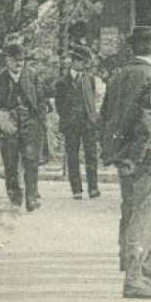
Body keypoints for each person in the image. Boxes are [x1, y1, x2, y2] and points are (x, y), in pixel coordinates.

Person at [99, 26, 151, 299]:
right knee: (145, 219)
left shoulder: (118, 76)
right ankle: (134, 279)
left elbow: (105, 117)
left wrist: (119, 154)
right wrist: (135, 156)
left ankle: (141, 273)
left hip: (127, 159)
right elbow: (148, 121)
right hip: (149, 159)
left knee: (132, 212)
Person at [0, 41, 48, 211]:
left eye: (22, 60)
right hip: (8, 124)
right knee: (10, 162)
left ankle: (32, 198)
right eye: (14, 60)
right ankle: (15, 199)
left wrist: (40, 120)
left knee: (31, 161)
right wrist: (0, 118)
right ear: (7, 60)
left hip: (30, 122)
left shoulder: (33, 77)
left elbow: (42, 101)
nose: (19, 63)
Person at [53, 43, 102, 201]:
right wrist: (69, 118)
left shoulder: (90, 79)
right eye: (82, 61)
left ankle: (93, 188)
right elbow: (59, 106)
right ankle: (76, 190)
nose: (85, 65)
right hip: (71, 124)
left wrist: (92, 118)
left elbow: (91, 100)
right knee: (73, 156)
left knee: (91, 156)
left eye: (86, 62)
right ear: (74, 61)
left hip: (88, 123)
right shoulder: (62, 82)